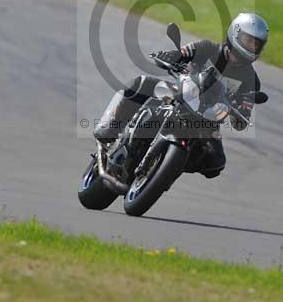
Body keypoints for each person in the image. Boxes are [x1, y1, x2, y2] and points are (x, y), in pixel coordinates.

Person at [93, 12, 269, 179]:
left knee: (215, 163)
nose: (251, 47)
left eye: (256, 44)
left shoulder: (251, 81)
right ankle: (109, 129)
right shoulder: (208, 48)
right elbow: (183, 53)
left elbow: (242, 117)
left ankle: (168, 165)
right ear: (235, 33)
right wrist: (172, 57)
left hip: (207, 121)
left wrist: (240, 115)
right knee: (142, 83)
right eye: (248, 40)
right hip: (180, 94)